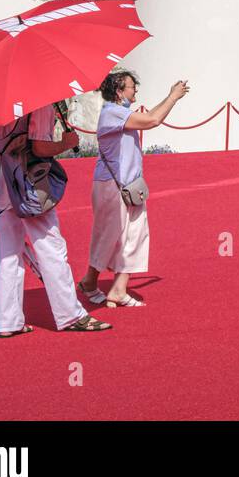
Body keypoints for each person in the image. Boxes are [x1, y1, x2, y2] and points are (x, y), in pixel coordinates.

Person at [0, 102, 111, 336]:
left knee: (8, 252)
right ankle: (70, 314)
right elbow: (39, 147)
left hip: (4, 179)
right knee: (51, 246)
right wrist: (65, 144)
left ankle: (8, 320)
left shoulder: (2, 103)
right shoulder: (39, 102)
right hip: (30, 181)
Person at [78, 70, 189, 309]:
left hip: (125, 185)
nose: (135, 89)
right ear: (119, 91)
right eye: (131, 86)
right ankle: (95, 283)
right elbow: (151, 120)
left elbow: (149, 117)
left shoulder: (118, 112)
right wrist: (172, 97)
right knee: (110, 235)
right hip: (114, 185)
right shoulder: (113, 113)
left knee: (130, 235)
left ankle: (110, 286)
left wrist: (171, 97)